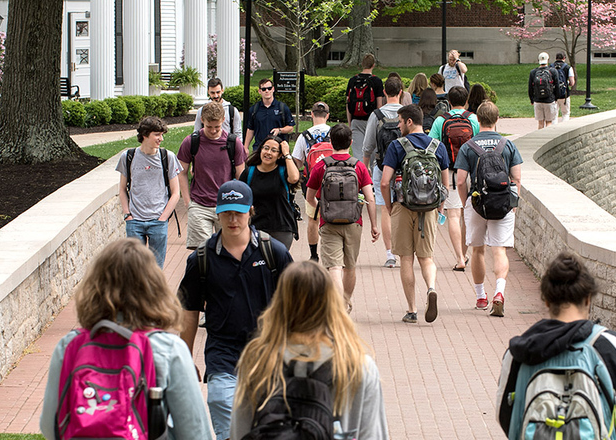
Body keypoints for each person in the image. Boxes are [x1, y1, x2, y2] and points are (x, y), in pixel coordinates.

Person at [40, 238, 214, 440]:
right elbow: (194, 431)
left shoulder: (70, 346)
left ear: (94, 286)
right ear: (154, 288)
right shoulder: (169, 348)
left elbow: (49, 425)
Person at [496, 252, 616, 440]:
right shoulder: (615, 347)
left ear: (547, 300)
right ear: (588, 299)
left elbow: (505, 416)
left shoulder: (518, 352)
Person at [179, 180, 293, 440]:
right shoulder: (201, 259)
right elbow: (189, 311)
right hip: (223, 350)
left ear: (250, 211)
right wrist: (184, 356)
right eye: (227, 212)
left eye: (239, 212)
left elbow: (294, 305)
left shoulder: (274, 252)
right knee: (220, 399)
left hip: (267, 349)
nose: (232, 219)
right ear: (217, 212)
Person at [230, 261, 390, 440]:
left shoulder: (258, 361)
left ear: (280, 303)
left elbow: (240, 431)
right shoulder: (357, 365)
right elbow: (372, 434)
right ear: (331, 304)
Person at [379, 104, 449, 324]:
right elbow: (445, 184)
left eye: (400, 121)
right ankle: (431, 288)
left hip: (403, 206)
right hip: (428, 209)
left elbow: (384, 181)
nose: (398, 126)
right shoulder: (438, 146)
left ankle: (411, 310)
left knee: (406, 259)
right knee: (426, 258)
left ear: (409, 121)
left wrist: (390, 206)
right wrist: (440, 207)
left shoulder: (397, 146)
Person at [455, 101, 522, 316]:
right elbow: (517, 178)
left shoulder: (468, 146)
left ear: (478, 121)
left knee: (477, 250)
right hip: (502, 203)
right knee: (499, 249)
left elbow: (460, 180)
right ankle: (499, 293)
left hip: (477, 204)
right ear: (497, 118)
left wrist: (467, 203)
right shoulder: (508, 145)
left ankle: (481, 296)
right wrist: (513, 203)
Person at [305, 123, 379, 312]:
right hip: (354, 222)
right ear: (351, 142)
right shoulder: (359, 166)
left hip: (328, 222)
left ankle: (337, 305)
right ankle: (345, 302)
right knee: (350, 266)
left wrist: (321, 210)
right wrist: (373, 225)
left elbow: (309, 197)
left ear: (331, 141)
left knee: (334, 267)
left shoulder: (321, 165)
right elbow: (370, 197)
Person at [179, 101, 247, 250]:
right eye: (209, 127)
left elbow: (241, 175)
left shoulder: (233, 142)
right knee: (202, 254)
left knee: (228, 251)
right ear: (202, 120)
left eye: (217, 127)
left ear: (223, 120)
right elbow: (181, 172)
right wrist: (187, 201)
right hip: (199, 204)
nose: (214, 131)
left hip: (227, 205)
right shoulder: (191, 141)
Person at [116, 116, 182, 268]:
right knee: (134, 269)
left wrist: (163, 218)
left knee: (155, 269)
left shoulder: (168, 157)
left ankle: (153, 293)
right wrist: (128, 215)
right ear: (145, 135)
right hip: (134, 222)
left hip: (158, 222)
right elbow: (122, 189)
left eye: (162, 134)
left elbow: (176, 193)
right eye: (157, 135)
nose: (161, 139)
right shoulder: (128, 157)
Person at [430, 86, 479, 272]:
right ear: (466, 101)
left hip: (450, 173)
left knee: (453, 214)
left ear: (448, 101)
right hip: (470, 172)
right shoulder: (473, 119)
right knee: (467, 214)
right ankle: (464, 254)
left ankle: (459, 257)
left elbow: (432, 145)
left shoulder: (440, 121)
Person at [362, 76, 404, 268]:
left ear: (385, 93)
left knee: (385, 209)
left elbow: (368, 146)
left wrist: (365, 170)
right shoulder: (408, 113)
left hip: (381, 166)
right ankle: (405, 251)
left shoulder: (377, 115)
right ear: (401, 92)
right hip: (405, 168)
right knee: (403, 209)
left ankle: (390, 253)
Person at [239, 135, 301, 250]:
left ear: (279, 155)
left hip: (281, 227)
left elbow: (294, 178)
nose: (268, 152)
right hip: (255, 227)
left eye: (274, 150)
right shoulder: (249, 172)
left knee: (279, 265)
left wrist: (287, 154)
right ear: (261, 149)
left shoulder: (283, 170)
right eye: (266, 148)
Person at [292, 101, 332, 261]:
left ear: (312, 115)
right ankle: (331, 252)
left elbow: (298, 162)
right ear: (327, 116)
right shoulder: (334, 132)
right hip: (333, 181)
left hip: (312, 185)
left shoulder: (304, 136)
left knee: (313, 219)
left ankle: (314, 254)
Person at [347, 54, 385, 161]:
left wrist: (350, 123)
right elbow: (379, 105)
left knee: (358, 153)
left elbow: (348, 103)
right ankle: (370, 176)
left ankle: (359, 175)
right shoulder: (377, 81)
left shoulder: (352, 80)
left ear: (362, 64)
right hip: (371, 120)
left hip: (356, 120)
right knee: (372, 153)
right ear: (373, 65)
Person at [244, 78, 295, 151]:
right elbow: (250, 129)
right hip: (259, 148)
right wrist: (246, 147)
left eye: (269, 88)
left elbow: (291, 128)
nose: (267, 91)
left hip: (278, 149)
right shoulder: (254, 109)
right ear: (259, 91)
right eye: (264, 89)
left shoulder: (282, 108)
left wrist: (280, 130)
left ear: (273, 89)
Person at [194, 77, 243, 141]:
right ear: (208, 92)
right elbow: (196, 132)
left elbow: (238, 134)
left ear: (222, 90)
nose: (216, 96)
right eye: (212, 93)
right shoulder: (201, 111)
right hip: (207, 146)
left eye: (218, 92)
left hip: (226, 146)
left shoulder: (232, 111)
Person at [528, 52, 559, 129]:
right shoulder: (553, 71)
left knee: (540, 123)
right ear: (548, 60)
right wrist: (555, 98)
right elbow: (557, 86)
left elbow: (530, 87)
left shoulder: (533, 72)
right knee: (549, 122)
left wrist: (532, 99)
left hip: (537, 100)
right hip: (549, 100)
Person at [551, 52, 575, 124]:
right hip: (564, 94)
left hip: (553, 94)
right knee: (565, 113)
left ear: (556, 58)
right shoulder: (568, 68)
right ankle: (564, 129)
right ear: (564, 58)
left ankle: (554, 130)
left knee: (554, 115)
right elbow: (572, 83)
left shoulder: (551, 67)